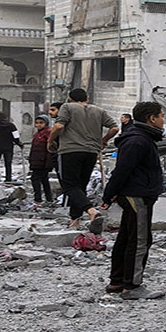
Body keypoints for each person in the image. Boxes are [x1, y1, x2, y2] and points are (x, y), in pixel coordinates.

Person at [100, 101, 165, 300]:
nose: (163, 120)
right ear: (151, 118)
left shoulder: (140, 137)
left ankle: (118, 281)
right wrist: (108, 194)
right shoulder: (138, 140)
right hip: (137, 195)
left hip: (136, 193)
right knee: (140, 240)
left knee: (126, 238)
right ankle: (132, 286)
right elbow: (121, 171)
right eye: (161, 115)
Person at [49, 89, 118, 229]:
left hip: (70, 150)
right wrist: (104, 141)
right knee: (80, 187)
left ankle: (91, 211)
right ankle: (75, 220)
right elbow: (115, 128)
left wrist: (50, 141)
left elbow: (59, 125)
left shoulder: (67, 107)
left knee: (69, 186)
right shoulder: (98, 110)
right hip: (91, 152)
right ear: (87, 97)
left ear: (69, 98)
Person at [27, 115, 55, 204]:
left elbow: (50, 148)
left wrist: (48, 162)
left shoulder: (48, 133)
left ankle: (38, 198)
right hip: (36, 160)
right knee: (44, 179)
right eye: (37, 123)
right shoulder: (37, 134)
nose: (38, 125)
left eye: (41, 123)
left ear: (46, 123)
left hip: (43, 161)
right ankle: (48, 198)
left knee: (35, 178)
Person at [0, 111, 22, 183]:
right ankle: (8, 178)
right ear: (6, 118)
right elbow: (16, 136)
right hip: (8, 147)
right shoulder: (11, 125)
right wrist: (19, 143)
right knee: (8, 163)